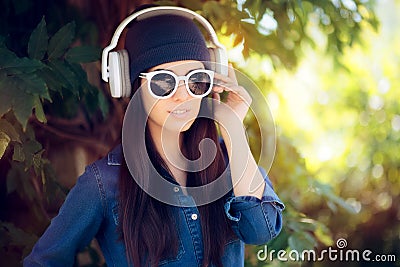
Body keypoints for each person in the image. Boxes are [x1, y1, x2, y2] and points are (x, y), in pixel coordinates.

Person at [24, 5, 284, 267]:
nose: (182, 95)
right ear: (133, 87)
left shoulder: (232, 162)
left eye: (196, 80)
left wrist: (232, 127)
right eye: (163, 81)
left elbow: (261, 231)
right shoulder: (102, 184)